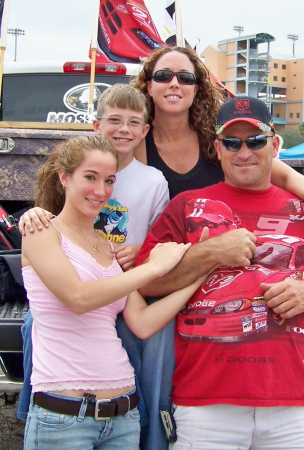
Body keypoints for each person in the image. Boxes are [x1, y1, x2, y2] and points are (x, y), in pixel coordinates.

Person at [20, 47, 304, 450]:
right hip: (152, 265)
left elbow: (269, 165)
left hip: (170, 265)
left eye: (186, 77)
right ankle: (97, 421)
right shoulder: (132, 144)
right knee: (43, 324)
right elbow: (77, 187)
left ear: (200, 87)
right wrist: (38, 213)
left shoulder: (217, 139)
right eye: (162, 76)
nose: (174, 84)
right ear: (147, 85)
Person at [136, 96, 304, 449]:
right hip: (205, 409)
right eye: (232, 142)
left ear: (274, 145)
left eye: (255, 141)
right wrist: (210, 253)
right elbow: (146, 283)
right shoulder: (186, 207)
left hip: (291, 409)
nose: (244, 152)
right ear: (218, 149)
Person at [22, 135, 203, 449]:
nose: (100, 190)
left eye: (109, 181)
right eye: (90, 177)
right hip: (64, 415)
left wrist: (199, 275)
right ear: (64, 177)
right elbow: (78, 298)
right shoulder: (41, 231)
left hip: (124, 414)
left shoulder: (107, 247)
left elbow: (143, 322)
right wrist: (153, 267)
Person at [17, 84, 170, 426]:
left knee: (131, 336)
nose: (124, 129)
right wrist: (33, 214)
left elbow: (159, 237)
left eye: (133, 122)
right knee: (32, 325)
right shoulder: (80, 167)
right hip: (76, 282)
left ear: (145, 131)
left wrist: (140, 251)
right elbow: (56, 220)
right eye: (114, 120)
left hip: (123, 284)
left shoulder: (153, 181)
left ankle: (136, 419)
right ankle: (32, 411)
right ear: (96, 125)